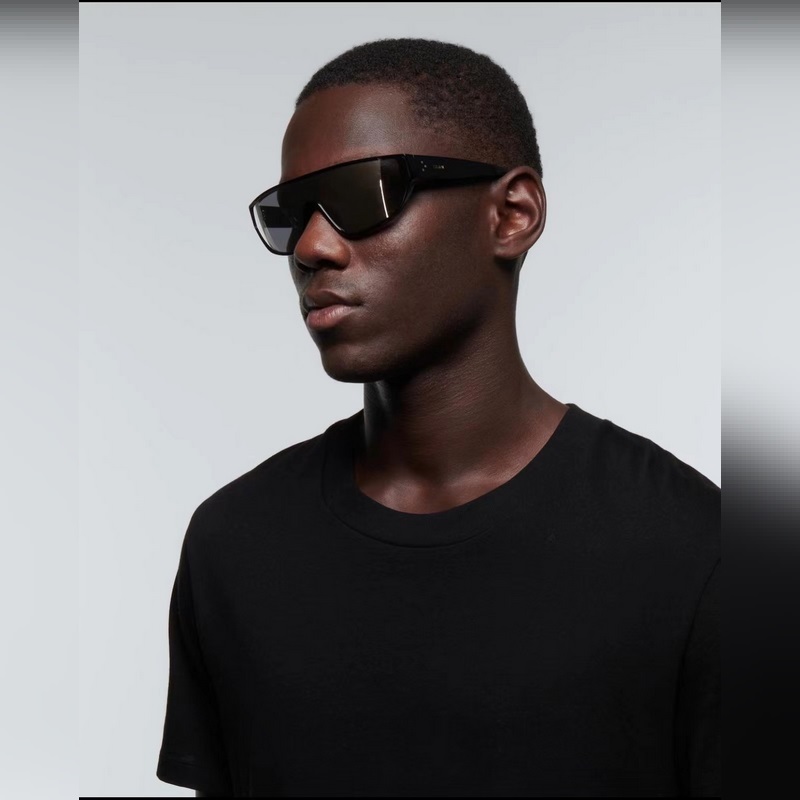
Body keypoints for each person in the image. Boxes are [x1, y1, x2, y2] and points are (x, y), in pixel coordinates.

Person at [156, 38, 720, 798]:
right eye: (292, 214)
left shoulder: (695, 551)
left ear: (511, 214)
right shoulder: (234, 545)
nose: (313, 247)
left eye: (364, 195)